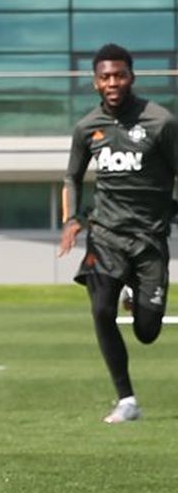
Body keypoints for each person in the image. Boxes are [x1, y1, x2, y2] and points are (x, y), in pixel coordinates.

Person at [58, 43, 178, 424]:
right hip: (105, 235)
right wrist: (71, 219)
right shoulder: (87, 128)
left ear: (132, 77)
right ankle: (126, 399)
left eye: (120, 75)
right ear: (96, 82)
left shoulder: (161, 122)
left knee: (147, 331)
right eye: (105, 76)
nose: (113, 82)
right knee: (101, 309)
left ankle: (135, 289)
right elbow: (72, 177)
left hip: (149, 240)